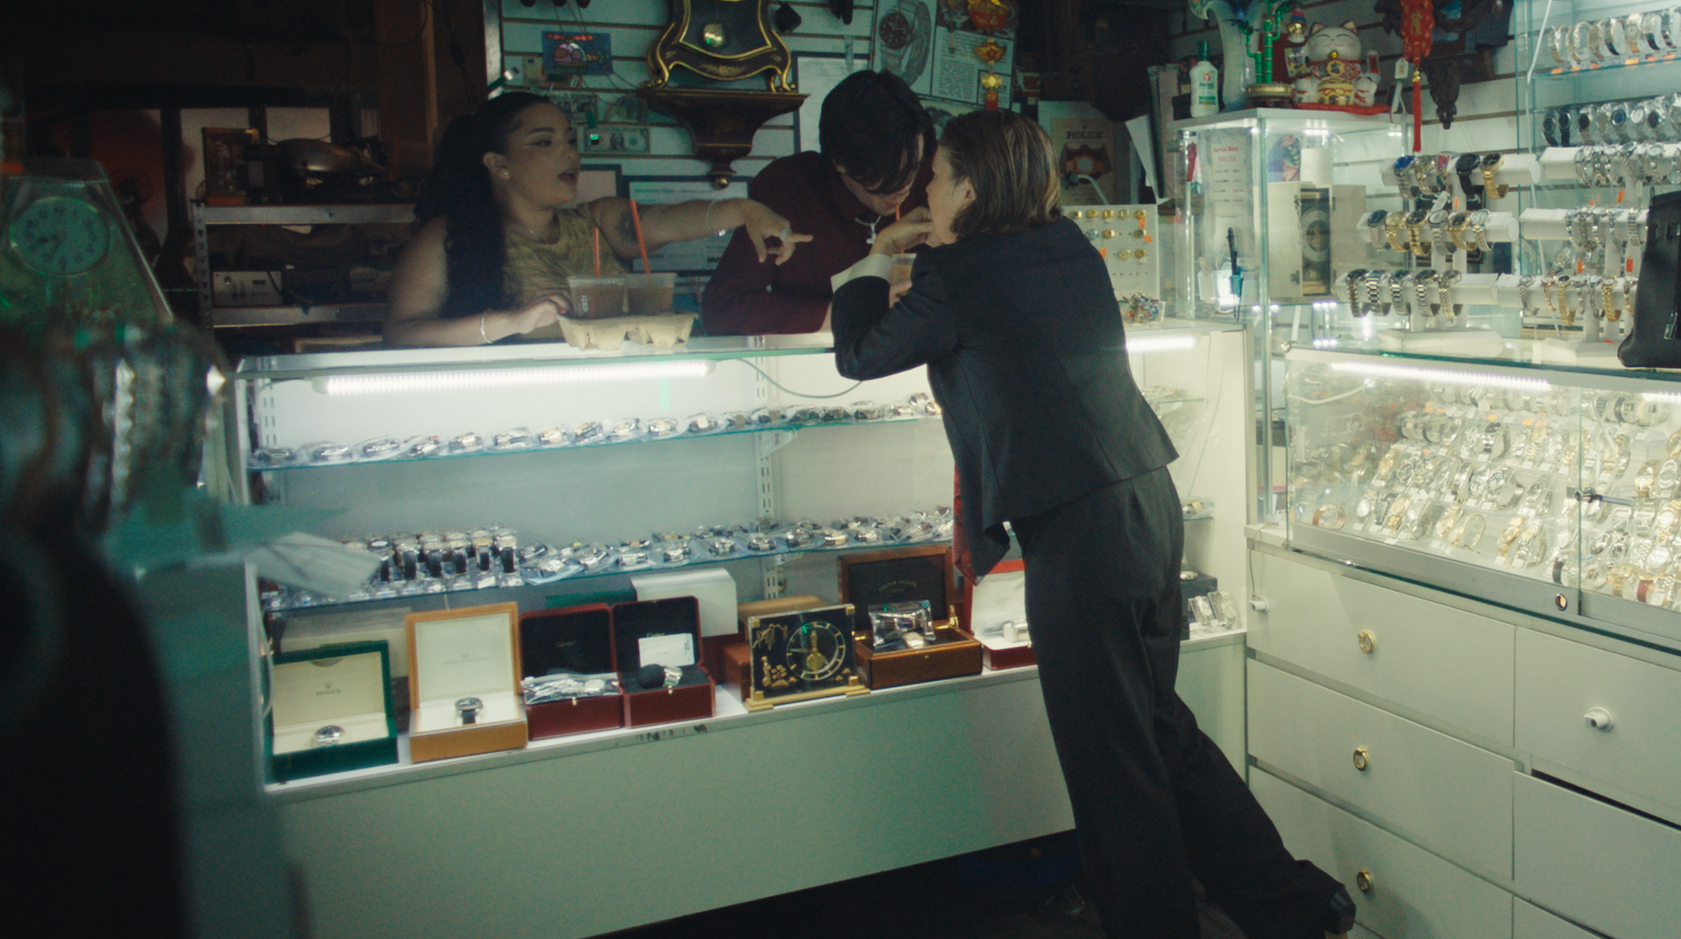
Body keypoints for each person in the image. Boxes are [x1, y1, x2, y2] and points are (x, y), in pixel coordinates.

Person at [827, 111, 1353, 939]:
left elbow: (858, 353)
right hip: (1146, 503)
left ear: (966, 188)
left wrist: (868, 261)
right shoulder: (1065, 245)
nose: (921, 192)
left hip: (1081, 534)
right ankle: (1294, 905)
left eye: (933, 179)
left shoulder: (957, 277)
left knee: (1111, 763)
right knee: (1157, 728)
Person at [383, 91, 808, 347]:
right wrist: (509, 322)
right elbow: (402, 333)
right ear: (499, 163)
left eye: (570, 139)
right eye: (545, 142)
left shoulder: (596, 221)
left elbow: (669, 221)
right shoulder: (447, 238)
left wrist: (743, 210)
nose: (570, 153)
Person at [702, 69, 934, 334]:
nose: (904, 188)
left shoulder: (935, 174)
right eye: (886, 179)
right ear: (839, 162)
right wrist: (851, 313)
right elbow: (723, 310)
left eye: (913, 168)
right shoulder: (787, 188)